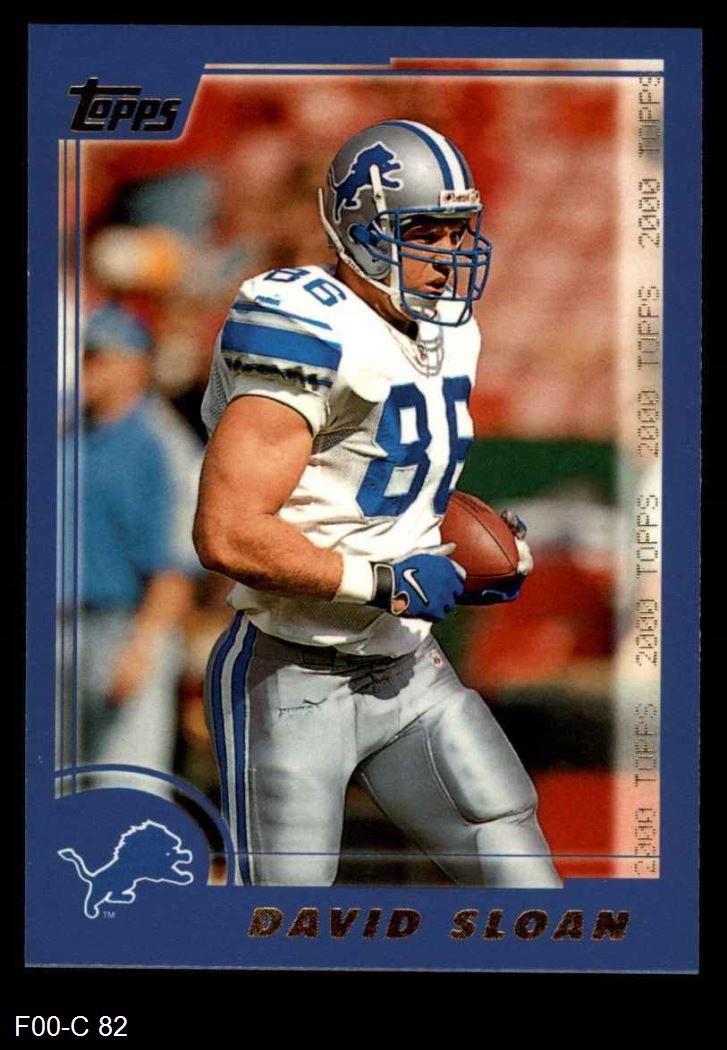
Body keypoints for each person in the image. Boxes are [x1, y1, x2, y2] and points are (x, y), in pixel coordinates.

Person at [194, 120, 561, 887]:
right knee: (283, 919)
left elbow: (382, 479)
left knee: (524, 884)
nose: (447, 254)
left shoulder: (452, 333)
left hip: (407, 664)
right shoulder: (303, 322)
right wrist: (382, 579)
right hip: (290, 672)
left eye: (457, 231)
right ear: (356, 230)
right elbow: (227, 533)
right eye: (422, 232)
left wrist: (463, 548)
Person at [79, 304, 203, 790]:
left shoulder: (163, 443)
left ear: (136, 364)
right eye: (87, 357)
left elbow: (176, 565)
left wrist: (144, 646)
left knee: (124, 789)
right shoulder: (74, 433)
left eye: (101, 358)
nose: (89, 369)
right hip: (64, 628)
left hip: (126, 627)